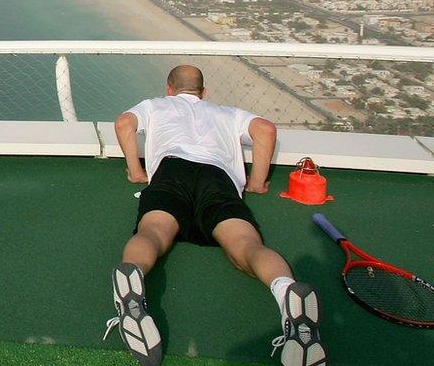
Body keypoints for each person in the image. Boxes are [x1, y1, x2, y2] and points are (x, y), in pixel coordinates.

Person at [106, 65, 325, 366]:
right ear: (204, 92)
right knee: (246, 245)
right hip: (217, 178)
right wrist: (257, 182)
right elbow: (266, 130)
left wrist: (136, 170)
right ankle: (286, 291)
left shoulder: (156, 105)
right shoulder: (227, 113)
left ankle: (133, 283)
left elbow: (123, 124)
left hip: (172, 170)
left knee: (153, 232)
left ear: (169, 89)